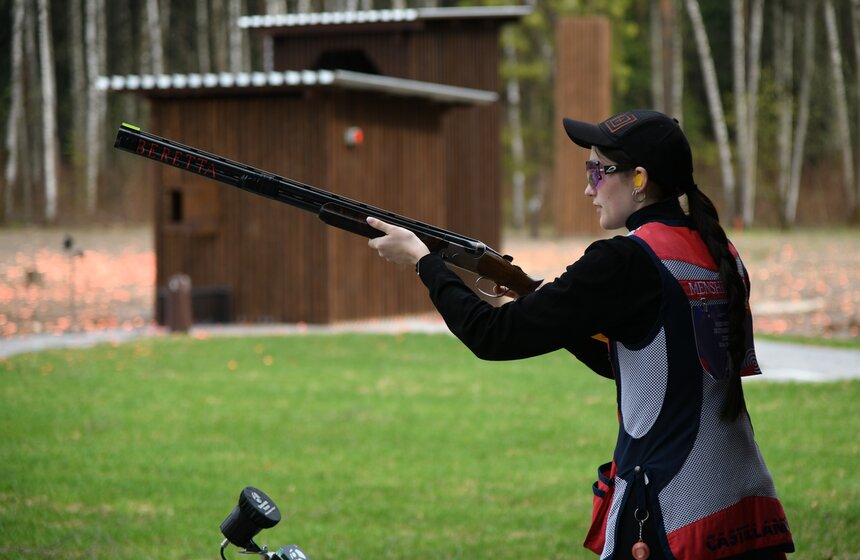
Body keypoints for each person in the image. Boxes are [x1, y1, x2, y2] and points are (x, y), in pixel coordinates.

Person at [365, 110, 794, 559]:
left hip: (671, 513)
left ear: (639, 179)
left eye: (597, 171)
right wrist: (552, 311)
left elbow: (490, 335)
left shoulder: (625, 260)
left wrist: (423, 262)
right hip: (741, 506)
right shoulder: (720, 252)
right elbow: (650, 365)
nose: (589, 188)